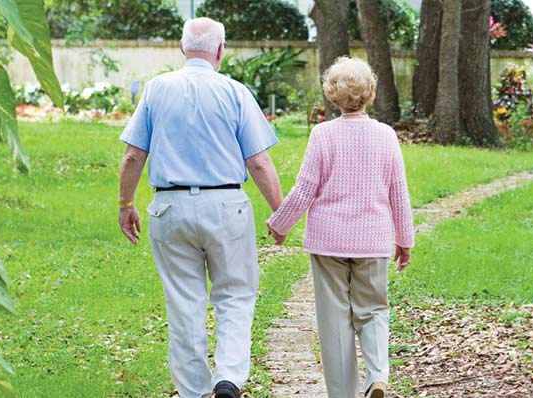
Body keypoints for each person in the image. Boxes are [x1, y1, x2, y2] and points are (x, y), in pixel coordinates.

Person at [116, 17, 284, 398]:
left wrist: (126, 203)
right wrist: (280, 212)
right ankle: (228, 378)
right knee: (236, 294)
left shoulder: (156, 90)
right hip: (226, 204)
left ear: (181, 48)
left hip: (169, 207)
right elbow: (258, 162)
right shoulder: (235, 92)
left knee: (184, 301)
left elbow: (132, 156)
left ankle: (193, 391)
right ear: (220, 51)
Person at [267, 57, 414, 398]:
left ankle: (343, 394)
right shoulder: (386, 135)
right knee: (374, 308)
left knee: (334, 320)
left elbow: (305, 188)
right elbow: (399, 191)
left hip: (328, 240)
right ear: (370, 93)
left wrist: (280, 224)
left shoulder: (323, 134)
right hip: (373, 240)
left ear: (332, 95)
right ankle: (377, 375)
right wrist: (404, 239)